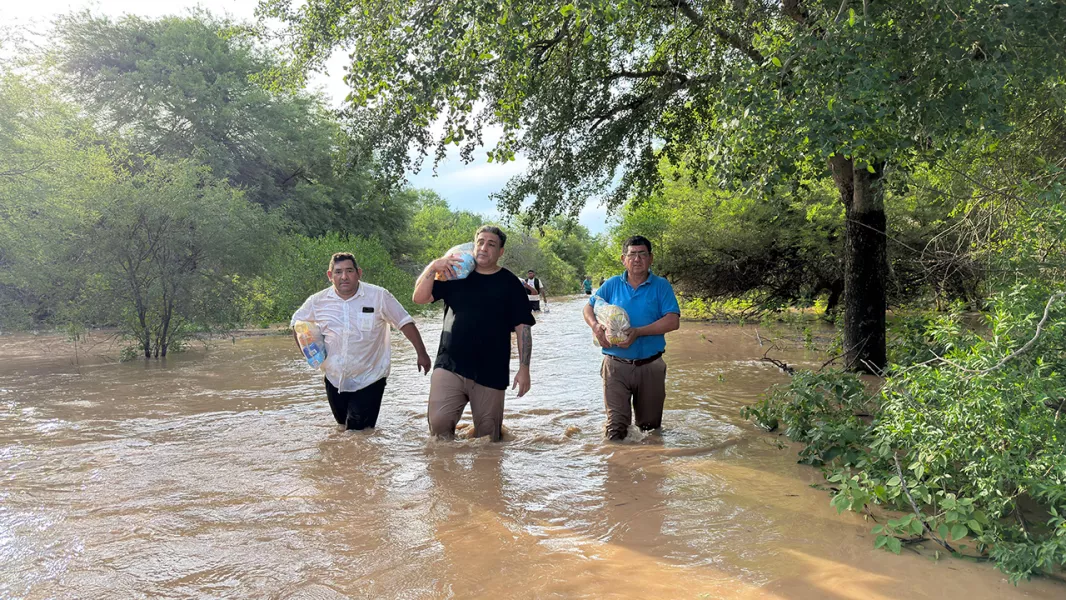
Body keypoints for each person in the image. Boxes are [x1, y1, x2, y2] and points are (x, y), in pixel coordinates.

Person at [413, 225, 535, 441]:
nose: (484, 248)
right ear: (474, 244)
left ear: (500, 252)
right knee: (439, 429)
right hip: (450, 364)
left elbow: (522, 327)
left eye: (491, 244)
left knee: (488, 437)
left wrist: (524, 368)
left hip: (491, 369)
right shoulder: (454, 274)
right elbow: (419, 298)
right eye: (480, 242)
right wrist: (433, 267)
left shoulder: (510, 284)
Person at [292, 252, 432, 430]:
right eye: (338, 272)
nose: (344, 276)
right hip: (334, 378)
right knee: (343, 427)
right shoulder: (317, 301)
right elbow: (296, 324)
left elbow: (405, 322)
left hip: (370, 377)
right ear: (330, 276)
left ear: (359, 273)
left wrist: (422, 353)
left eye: (349, 271)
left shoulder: (379, 296)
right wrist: (309, 354)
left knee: (358, 432)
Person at [583, 235, 680, 440]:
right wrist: (595, 326)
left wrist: (638, 332)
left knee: (650, 430)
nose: (637, 259)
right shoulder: (611, 284)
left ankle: (649, 469)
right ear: (623, 259)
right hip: (615, 366)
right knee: (615, 429)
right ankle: (618, 469)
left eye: (642, 254)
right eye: (632, 254)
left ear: (651, 258)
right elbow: (589, 307)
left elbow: (673, 321)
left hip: (650, 365)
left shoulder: (661, 286)